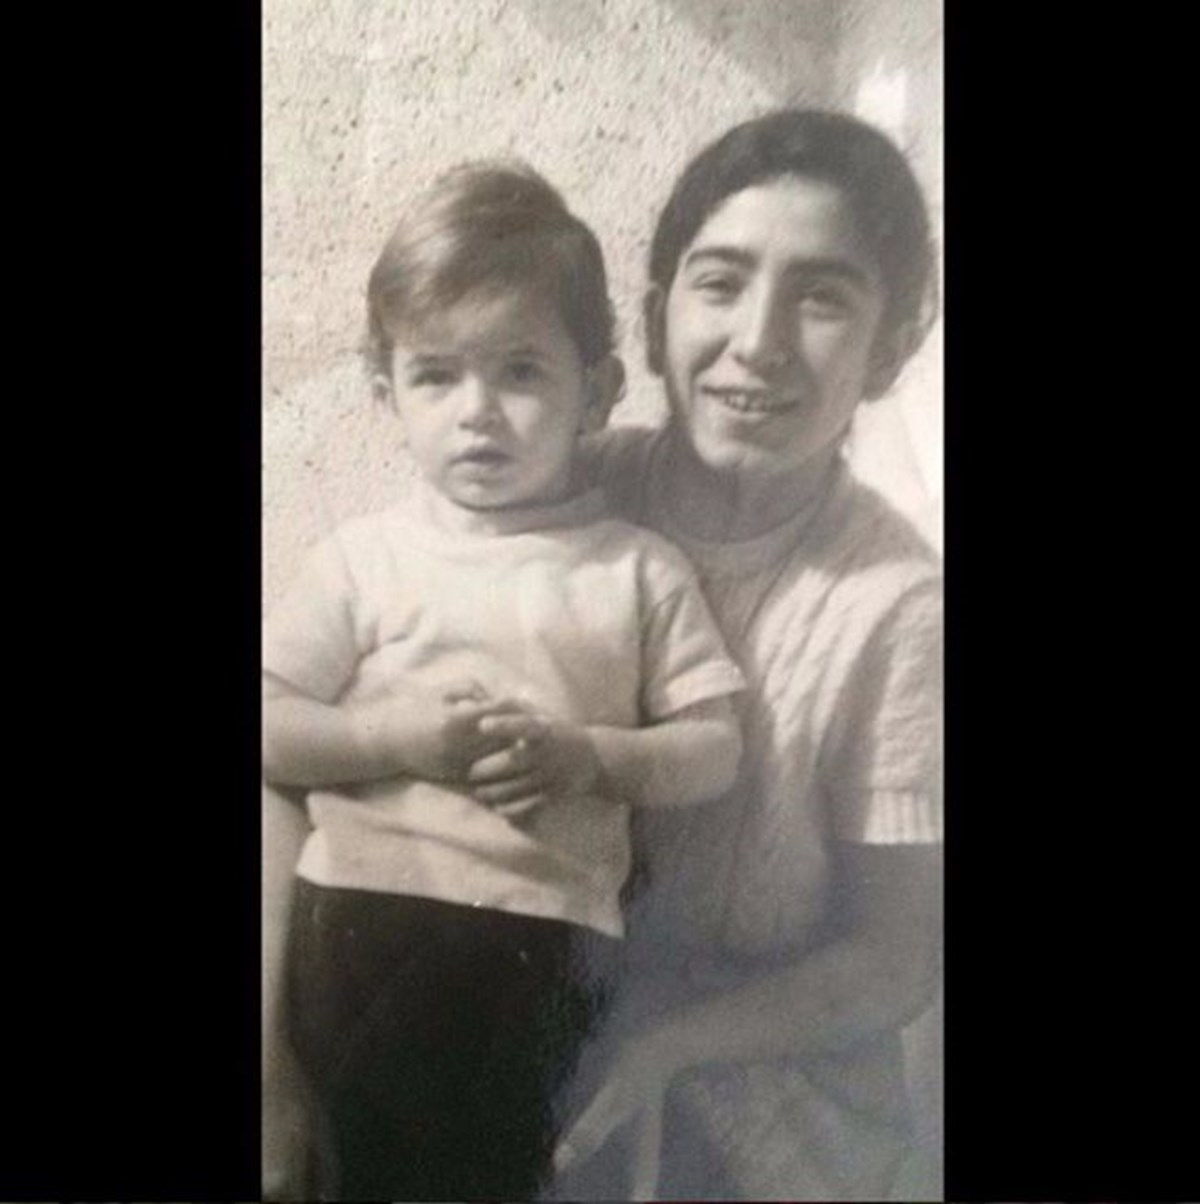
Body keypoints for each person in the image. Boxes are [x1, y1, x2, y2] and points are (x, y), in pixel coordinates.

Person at [260, 161, 745, 1202]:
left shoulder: (638, 568)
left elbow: (715, 748)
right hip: (358, 924)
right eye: (436, 375)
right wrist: (388, 738)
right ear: (385, 390)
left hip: (550, 947)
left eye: (521, 372)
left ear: (597, 391)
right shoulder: (363, 560)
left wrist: (591, 757)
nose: (477, 412)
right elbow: (270, 728)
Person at [552, 109, 944, 1201]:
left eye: (823, 298)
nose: (760, 340)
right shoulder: (567, 493)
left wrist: (670, 1046)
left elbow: (898, 959)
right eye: (721, 282)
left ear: (888, 351)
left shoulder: (899, 609)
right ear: (655, 317)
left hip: (766, 1105)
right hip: (534, 1032)